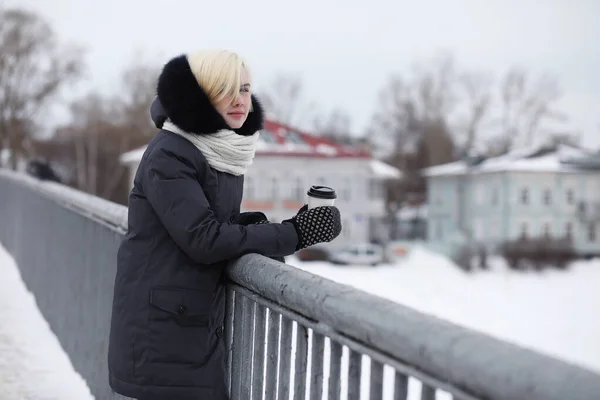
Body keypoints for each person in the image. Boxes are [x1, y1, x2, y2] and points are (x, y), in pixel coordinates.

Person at [107, 49, 342, 400]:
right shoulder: (170, 153)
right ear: (199, 95)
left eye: (245, 89)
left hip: (186, 321)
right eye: (224, 89)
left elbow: (208, 223)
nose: (239, 100)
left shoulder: (217, 150)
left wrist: (284, 225)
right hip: (161, 331)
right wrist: (294, 233)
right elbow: (204, 239)